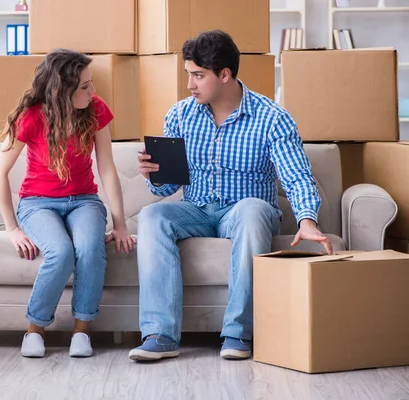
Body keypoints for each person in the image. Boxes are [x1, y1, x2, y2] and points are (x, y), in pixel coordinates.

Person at [129, 30, 332, 362]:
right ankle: (160, 334)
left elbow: (297, 177)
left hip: (244, 211)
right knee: (153, 215)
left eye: (198, 75)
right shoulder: (180, 115)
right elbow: (168, 188)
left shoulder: (272, 118)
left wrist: (307, 220)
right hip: (196, 209)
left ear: (224, 75)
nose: (190, 84)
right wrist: (155, 174)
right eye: (188, 75)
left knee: (252, 209)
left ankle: (238, 334)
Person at [0, 49, 135, 359]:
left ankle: (81, 332)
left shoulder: (95, 110)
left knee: (89, 249)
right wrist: (11, 229)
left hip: (84, 201)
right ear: (62, 89)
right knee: (61, 252)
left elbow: (107, 169)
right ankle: (35, 329)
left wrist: (120, 224)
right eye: (84, 86)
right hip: (37, 203)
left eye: (91, 83)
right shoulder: (30, 116)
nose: (92, 91)